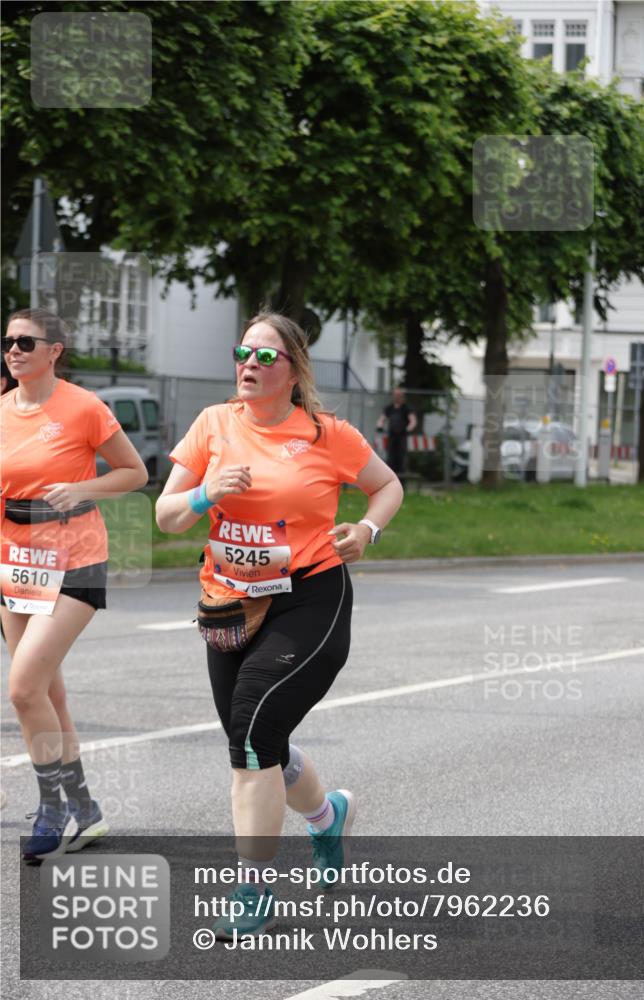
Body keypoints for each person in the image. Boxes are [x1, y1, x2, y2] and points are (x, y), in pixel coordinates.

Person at [156, 312, 403, 940]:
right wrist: (206, 493)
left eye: (265, 356)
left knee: (250, 734)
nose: (249, 364)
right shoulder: (213, 424)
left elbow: (387, 485)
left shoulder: (327, 433)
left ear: (293, 371)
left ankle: (254, 890)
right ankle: (327, 816)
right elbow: (166, 517)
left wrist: (367, 529)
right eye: (243, 352)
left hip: (309, 599)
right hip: (230, 604)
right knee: (257, 744)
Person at [1, 308, 148, 861]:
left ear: (54, 350)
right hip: (14, 564)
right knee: (45, 693)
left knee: (22, 689)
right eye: (8, 341)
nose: (13, 350)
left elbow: (133, 473)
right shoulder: (1, 411)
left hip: (74, 561)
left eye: (25, 342)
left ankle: (51, 809)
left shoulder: (83, 407)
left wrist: (81, 486)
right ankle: (86, 810)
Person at [376, 386, 417, 486]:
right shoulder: (389, 408)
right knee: (390, 459)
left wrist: (407, 429)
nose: (397, 397)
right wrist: (379, 426)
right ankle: (390, 483)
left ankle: (402, 484)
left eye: (399, 395)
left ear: (403, 396)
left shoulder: (407, 408)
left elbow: (413, 421)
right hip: (392, 438)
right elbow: (382, 419)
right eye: (395, 395)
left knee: (401, 460)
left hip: (402, 438)